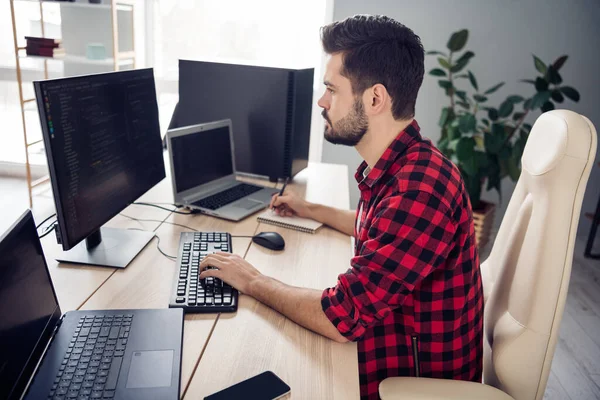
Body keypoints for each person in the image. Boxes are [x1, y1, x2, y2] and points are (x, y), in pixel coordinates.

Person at [199, 14, 484, 400]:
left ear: (375, 98)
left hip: (405, 382)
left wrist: (251, 280)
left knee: (247, 355)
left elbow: (340, 317)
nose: (322, 101)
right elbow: (379, 230)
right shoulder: (406, 163)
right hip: (384, 349)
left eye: (332, 89)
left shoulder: (421, 188)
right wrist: (311, 209)